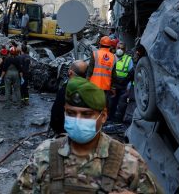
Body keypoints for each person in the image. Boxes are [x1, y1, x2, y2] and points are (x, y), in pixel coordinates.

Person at [12, 77, 163, 193]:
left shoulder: (129, 161)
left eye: (86, 114)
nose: (77, 120)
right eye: (71, 113)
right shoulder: (43, 154)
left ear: (103, 116)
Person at [49, 60, 88, 135]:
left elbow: (56, 113)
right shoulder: (91, 89)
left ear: (70, 72)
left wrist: (56, 128)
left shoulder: (65, 90)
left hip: (66, 131)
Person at [110, 42, 134, 121]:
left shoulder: (128, 59)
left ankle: (118, 120)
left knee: (122, 104)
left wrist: (129, 87)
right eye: (118, 48)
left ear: (125, 50)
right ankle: (110, 118)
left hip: (124, 86)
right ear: (115, 48)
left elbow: (131, 74)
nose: (120, 50)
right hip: (113, 85)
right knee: (111, 103)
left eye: (122, 48)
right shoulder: (111, 57)